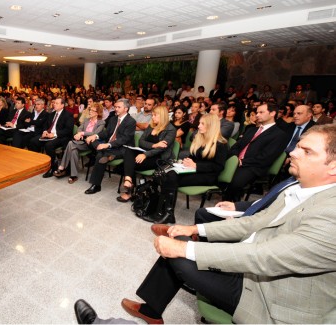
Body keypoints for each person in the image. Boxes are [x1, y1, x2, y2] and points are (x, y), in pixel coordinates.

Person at [79, 124, 336, 324]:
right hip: (253, 267)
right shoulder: (300, 189)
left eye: (307, 151)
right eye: (298, 146)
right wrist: (194, 229)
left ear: (333, 165)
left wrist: (185, 249)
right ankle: (152, 310)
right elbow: (253, 223)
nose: (292, 152)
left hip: (272, 299)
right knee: (180, 243)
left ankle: (140, 313)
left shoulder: (330, 213)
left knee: (179, 253)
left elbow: (265, 256)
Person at [145, 114, 228, 224]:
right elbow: (194, 157)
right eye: (199, 123)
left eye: (202, 124)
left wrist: (196, 165)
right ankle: (164, 212)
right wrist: (187, 162)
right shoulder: (200, 138)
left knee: (171, 178)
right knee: (169, 174)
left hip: (208, 175)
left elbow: (218, 167)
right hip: (193, 170)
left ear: (211, 126)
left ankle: (165, 213)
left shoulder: (221, 144)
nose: (198, 126)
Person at [224, 102, 288, 201]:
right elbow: (236, 146)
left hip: (254, 166)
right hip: (237, 161)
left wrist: (242, 162)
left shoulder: (279, 134)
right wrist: (235, 158)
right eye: (257, 112)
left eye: (261, 112)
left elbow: (266, 157)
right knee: (215, 168)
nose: (257, 115)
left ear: (272, 113)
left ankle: (229, 205)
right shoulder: (251, 130)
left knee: (235, 183)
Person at [118, 106, 176, 202]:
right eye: (152, 115)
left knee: (129, 163)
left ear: (162, 116)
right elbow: (141, 142)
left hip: (159, 158)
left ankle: (129, 189)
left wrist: (146, 154)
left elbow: (161, 148)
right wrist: (154, 145)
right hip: (144, 151)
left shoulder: (171, 129)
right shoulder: (151, 126)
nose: (152, 117)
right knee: (129, 150)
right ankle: (128, 180)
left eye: (155, 115)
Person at [84, 99, 136, 194]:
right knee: (92, 140)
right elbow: (106, 133)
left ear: (126, 109)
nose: (116, 109)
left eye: (118, 107)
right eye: (115, 107)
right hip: (110, 147)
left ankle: (96, 185)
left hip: (123, 147)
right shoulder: (113, 119)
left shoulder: (131, 121)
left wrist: (107, 144)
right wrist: (95, 136)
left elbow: (124, 139)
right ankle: (108, 154)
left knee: (100, 155)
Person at [54, 102, 105, 184]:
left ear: (98, 113)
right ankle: (73, 175)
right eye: (90, 110)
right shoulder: (86, 120)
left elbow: (95, 133)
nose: (90, 112)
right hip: (80, 142)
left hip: (90, 144)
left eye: (92, 110)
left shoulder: (101, 122)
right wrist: (79, 133)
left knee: (71, 143)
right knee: (73, 150)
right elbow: (79, 128)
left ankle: (62, 166)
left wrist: (82, 133)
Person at [28, 97, 75, 177]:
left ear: (62, 105)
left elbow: (68, 130)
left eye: (57, 103)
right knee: (33, 141)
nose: (54, 104)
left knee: (49, 145)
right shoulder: (52, 114)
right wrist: (45, 131)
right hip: (49, 135)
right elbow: (46, 125)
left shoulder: (68, 115)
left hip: (61, 137)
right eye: (54, 103)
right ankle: (40, 163)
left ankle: (52, 167)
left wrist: (55, 134)